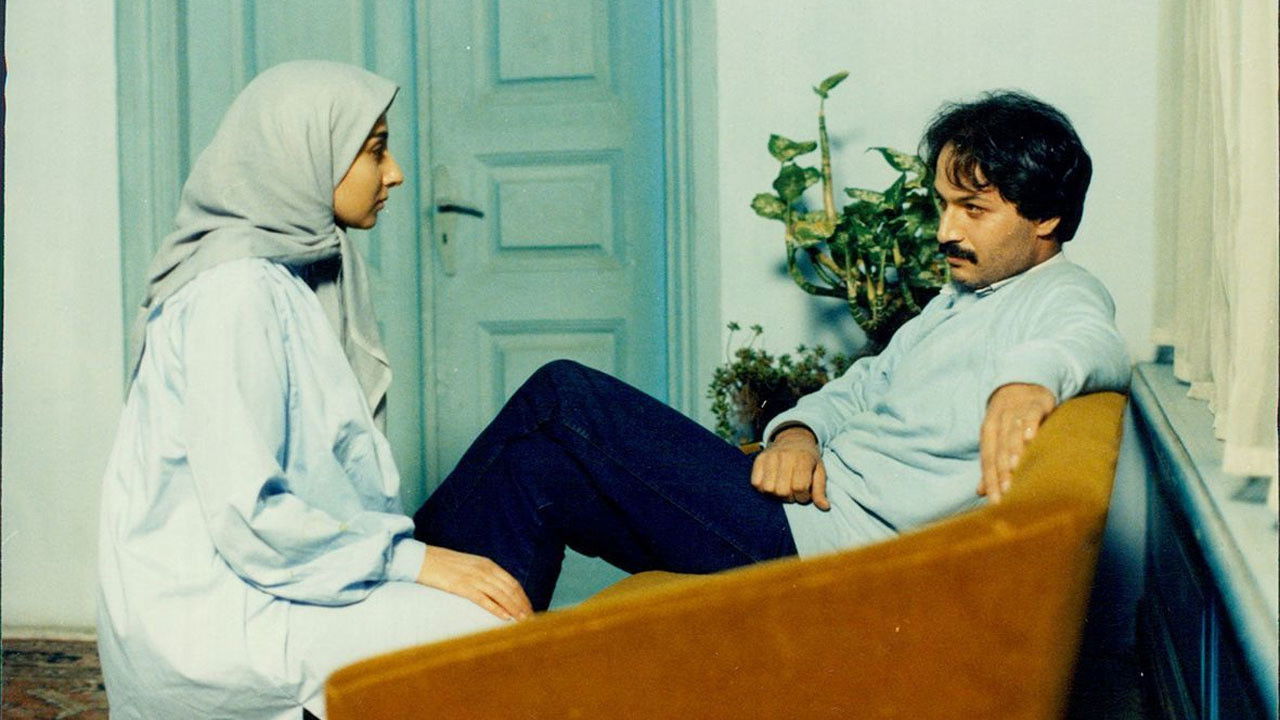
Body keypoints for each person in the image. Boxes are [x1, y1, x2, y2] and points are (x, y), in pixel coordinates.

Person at [414, 90, 1130, 610]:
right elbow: (862, 385)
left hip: (818, 551)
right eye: (943, 205)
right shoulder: (965, 296)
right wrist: (798, 433)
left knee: (563, 393)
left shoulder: (1059, 296)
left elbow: (1093, 341)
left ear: (1047, 216)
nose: (946, 230)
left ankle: (392, 585)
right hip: (796, 510)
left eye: (973, 210)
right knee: (536, 469)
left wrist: (1027, 384)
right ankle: (443, 667)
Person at [96, 61, 531, 720]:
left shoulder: (281, 274)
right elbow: (249, 516)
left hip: (274, 579)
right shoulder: (235, 293)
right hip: (223, 616)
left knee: (496, 604)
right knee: (488, 633)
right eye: (376, 150)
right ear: (303, 155)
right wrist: (411, 562)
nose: (395, 174)